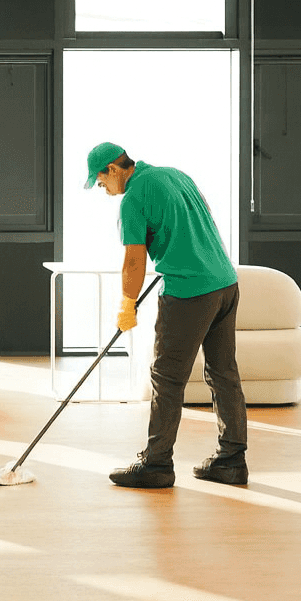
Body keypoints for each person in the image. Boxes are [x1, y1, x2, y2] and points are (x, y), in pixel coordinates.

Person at [84, 141, 247, 489]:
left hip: (189, 291)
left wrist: (126, 305)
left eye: (101, 183)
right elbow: (198, 224)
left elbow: (133, 259)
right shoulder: (175, 175)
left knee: (167, 377)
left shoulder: (133, 197)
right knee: (223, 373)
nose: (106, 191)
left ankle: (156, 464)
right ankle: (232, 462)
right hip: (225, 284)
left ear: (113, 169)